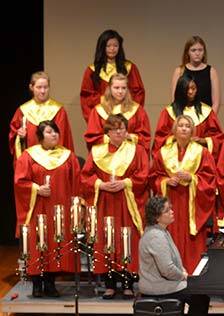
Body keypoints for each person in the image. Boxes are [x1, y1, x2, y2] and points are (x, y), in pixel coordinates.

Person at [80, 114, 149, 300]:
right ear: (107, 132)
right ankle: (109, 285)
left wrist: (126, 183)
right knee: (107, 240)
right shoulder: (97, 151)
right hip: (105, 202)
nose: (119, 131)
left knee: (127, 239)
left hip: (127, 202)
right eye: (115, 128)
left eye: (122, 128)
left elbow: (144, 175)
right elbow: (85, 176)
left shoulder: (137, 150)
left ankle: (127, 284)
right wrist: (99, 185)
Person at [14, 121, 81, 298]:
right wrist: (36, 188)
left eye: (56, 131)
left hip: (60, 209)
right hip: (37, 208)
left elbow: (76, 184)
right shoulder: (29, 156)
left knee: (54, 244)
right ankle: (37, 284)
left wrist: (75, 209)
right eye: (49, 132)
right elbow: (20, 182)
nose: (54, 135)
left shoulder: (68, 156)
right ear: (40, 136)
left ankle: (50, 283)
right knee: (38, 244)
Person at [138, 195, 210, 316]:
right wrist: (184, 276)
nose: (172, 211)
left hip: (165, 282)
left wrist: (183, 271)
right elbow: (167, 270)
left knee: (200, 294)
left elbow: (172, 262)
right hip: (158, 287)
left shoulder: (160, 231)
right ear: (157, 217)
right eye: (167, 210)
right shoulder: (156, 236)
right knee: (200, 296)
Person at [149, 115, 217, 273]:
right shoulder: (163, 152)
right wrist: (166, 181)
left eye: (187, 126)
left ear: (192, 130)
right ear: (174, 129)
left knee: (191, 242)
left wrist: (192, 178)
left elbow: (210, 179)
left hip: (192, 205)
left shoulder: (202, 152)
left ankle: (192, 278)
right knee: (170, 238)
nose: (184, 128)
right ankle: (170, 276)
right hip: (170, 202)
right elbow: (153, 177)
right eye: (181, 125)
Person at [80, 29, 145, 122]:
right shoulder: (92, 70)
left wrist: (130, 112)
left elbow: (138, 93)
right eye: (108, 46)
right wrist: (108, 99)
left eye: (115, 45)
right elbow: (87, 97)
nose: (112, 49)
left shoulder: (129, 68)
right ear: (102, 47)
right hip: (103, 115)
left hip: (126, 115)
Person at [154, 74, 224, 157]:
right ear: (180, 90)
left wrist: (202, 141)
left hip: (200, 158)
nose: (190, 92)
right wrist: (176, 139)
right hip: (175, 159)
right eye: (187, 89)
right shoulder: (168, 112)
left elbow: (218, 139)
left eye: (193, 88)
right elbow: (159, 140)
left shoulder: (206, 112)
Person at [9, 71, 74, 158]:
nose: (43, 91)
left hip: (53, 159)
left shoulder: (58, 110)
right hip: (31, 160)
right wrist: (20, 136)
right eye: (39, 87)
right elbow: (14, 136)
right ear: (31, 87)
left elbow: (63, 138)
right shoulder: (23, 110)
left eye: (45, 87)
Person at [84, 73, 151, 151]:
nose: (120, 91)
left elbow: (145, 138)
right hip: (106, 155)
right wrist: (112, 138)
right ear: (109, 88)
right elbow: (91, 138)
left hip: (130, 153)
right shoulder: (98, 111)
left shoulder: (137, 110)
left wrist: (129, 137)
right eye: (116, 88)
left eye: (123, 88)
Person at [170, 36, 220, 114]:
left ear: (204, 52)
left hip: (206, 118)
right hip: (184, 118)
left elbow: (216, 102)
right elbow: (174, 100)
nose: (197, 53)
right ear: (188, 52)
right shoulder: (179, 71)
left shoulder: (211, 71)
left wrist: (210, 119)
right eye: (193, 50)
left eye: (200, 50)